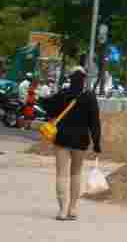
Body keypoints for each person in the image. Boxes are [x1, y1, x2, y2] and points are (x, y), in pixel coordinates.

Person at [38, 70, 102, 222]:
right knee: (76, 174)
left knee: (61, 174)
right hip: (81, 140)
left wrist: (41, 96)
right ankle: (72, 209)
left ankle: (61, 210)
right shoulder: (89, 96)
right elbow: (95, 122)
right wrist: (97, 142)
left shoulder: (63, 94)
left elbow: (48, 107)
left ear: (71, 79)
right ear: (84, 80)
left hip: (62, 138)